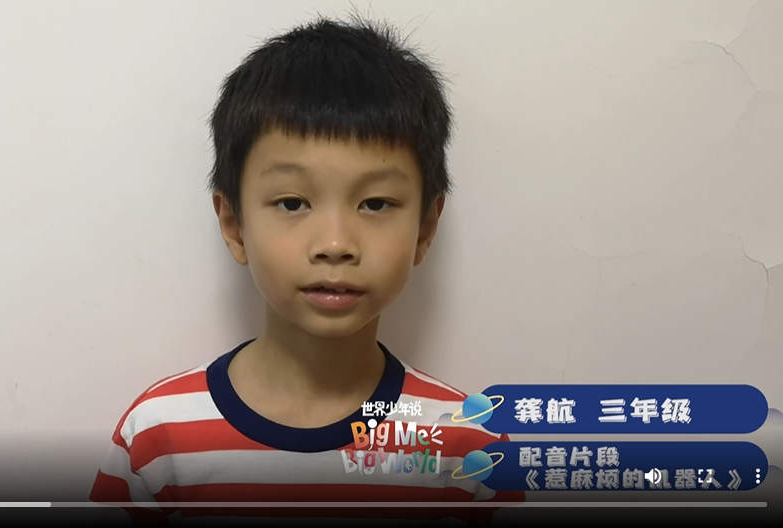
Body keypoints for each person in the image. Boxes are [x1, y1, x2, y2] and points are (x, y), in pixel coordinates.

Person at [89, 15, 524, 525]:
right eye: (293, 203)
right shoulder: (158, 438)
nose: (335, 245)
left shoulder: (468, 447)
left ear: (426, 228)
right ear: (234, 224)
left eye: (376, 203)